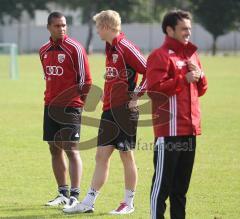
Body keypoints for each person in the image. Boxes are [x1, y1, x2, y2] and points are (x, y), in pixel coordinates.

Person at [64, 10, 146, 215]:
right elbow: (115, 77)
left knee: (127, 156)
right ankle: (88, 202)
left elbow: (150, 70)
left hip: (124, 113)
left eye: (98, 26)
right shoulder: (110, 48)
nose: (97, 31)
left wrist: (136, 95)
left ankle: (128, 202)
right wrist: (106, 94)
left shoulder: (126, 46)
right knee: (101, 156)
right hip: (108, 111)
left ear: (107, 27)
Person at [146, 10, 208, 219]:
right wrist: (184, 78)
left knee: (180, 189)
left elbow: (200, 89)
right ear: (169, 30)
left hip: (190, 129)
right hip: (169, 131)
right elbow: (154, 90)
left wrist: (199, 77)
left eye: (189, 28)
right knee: (162, 186)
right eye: (184, 29)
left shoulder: (192, 54)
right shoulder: (159, 55)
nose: (188, 32)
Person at [39, 11, 92, 209]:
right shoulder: (43, 50)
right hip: (50, 106)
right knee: (54, 149)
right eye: (57, 26)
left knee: (71, 149)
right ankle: (62, 193)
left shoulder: (75, 49)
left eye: (63, 25)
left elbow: (85, 81)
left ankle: (74, 196)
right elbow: (48, 77)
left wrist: (80, 104)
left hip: (71, 107)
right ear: (49, 28)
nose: (61, 29)